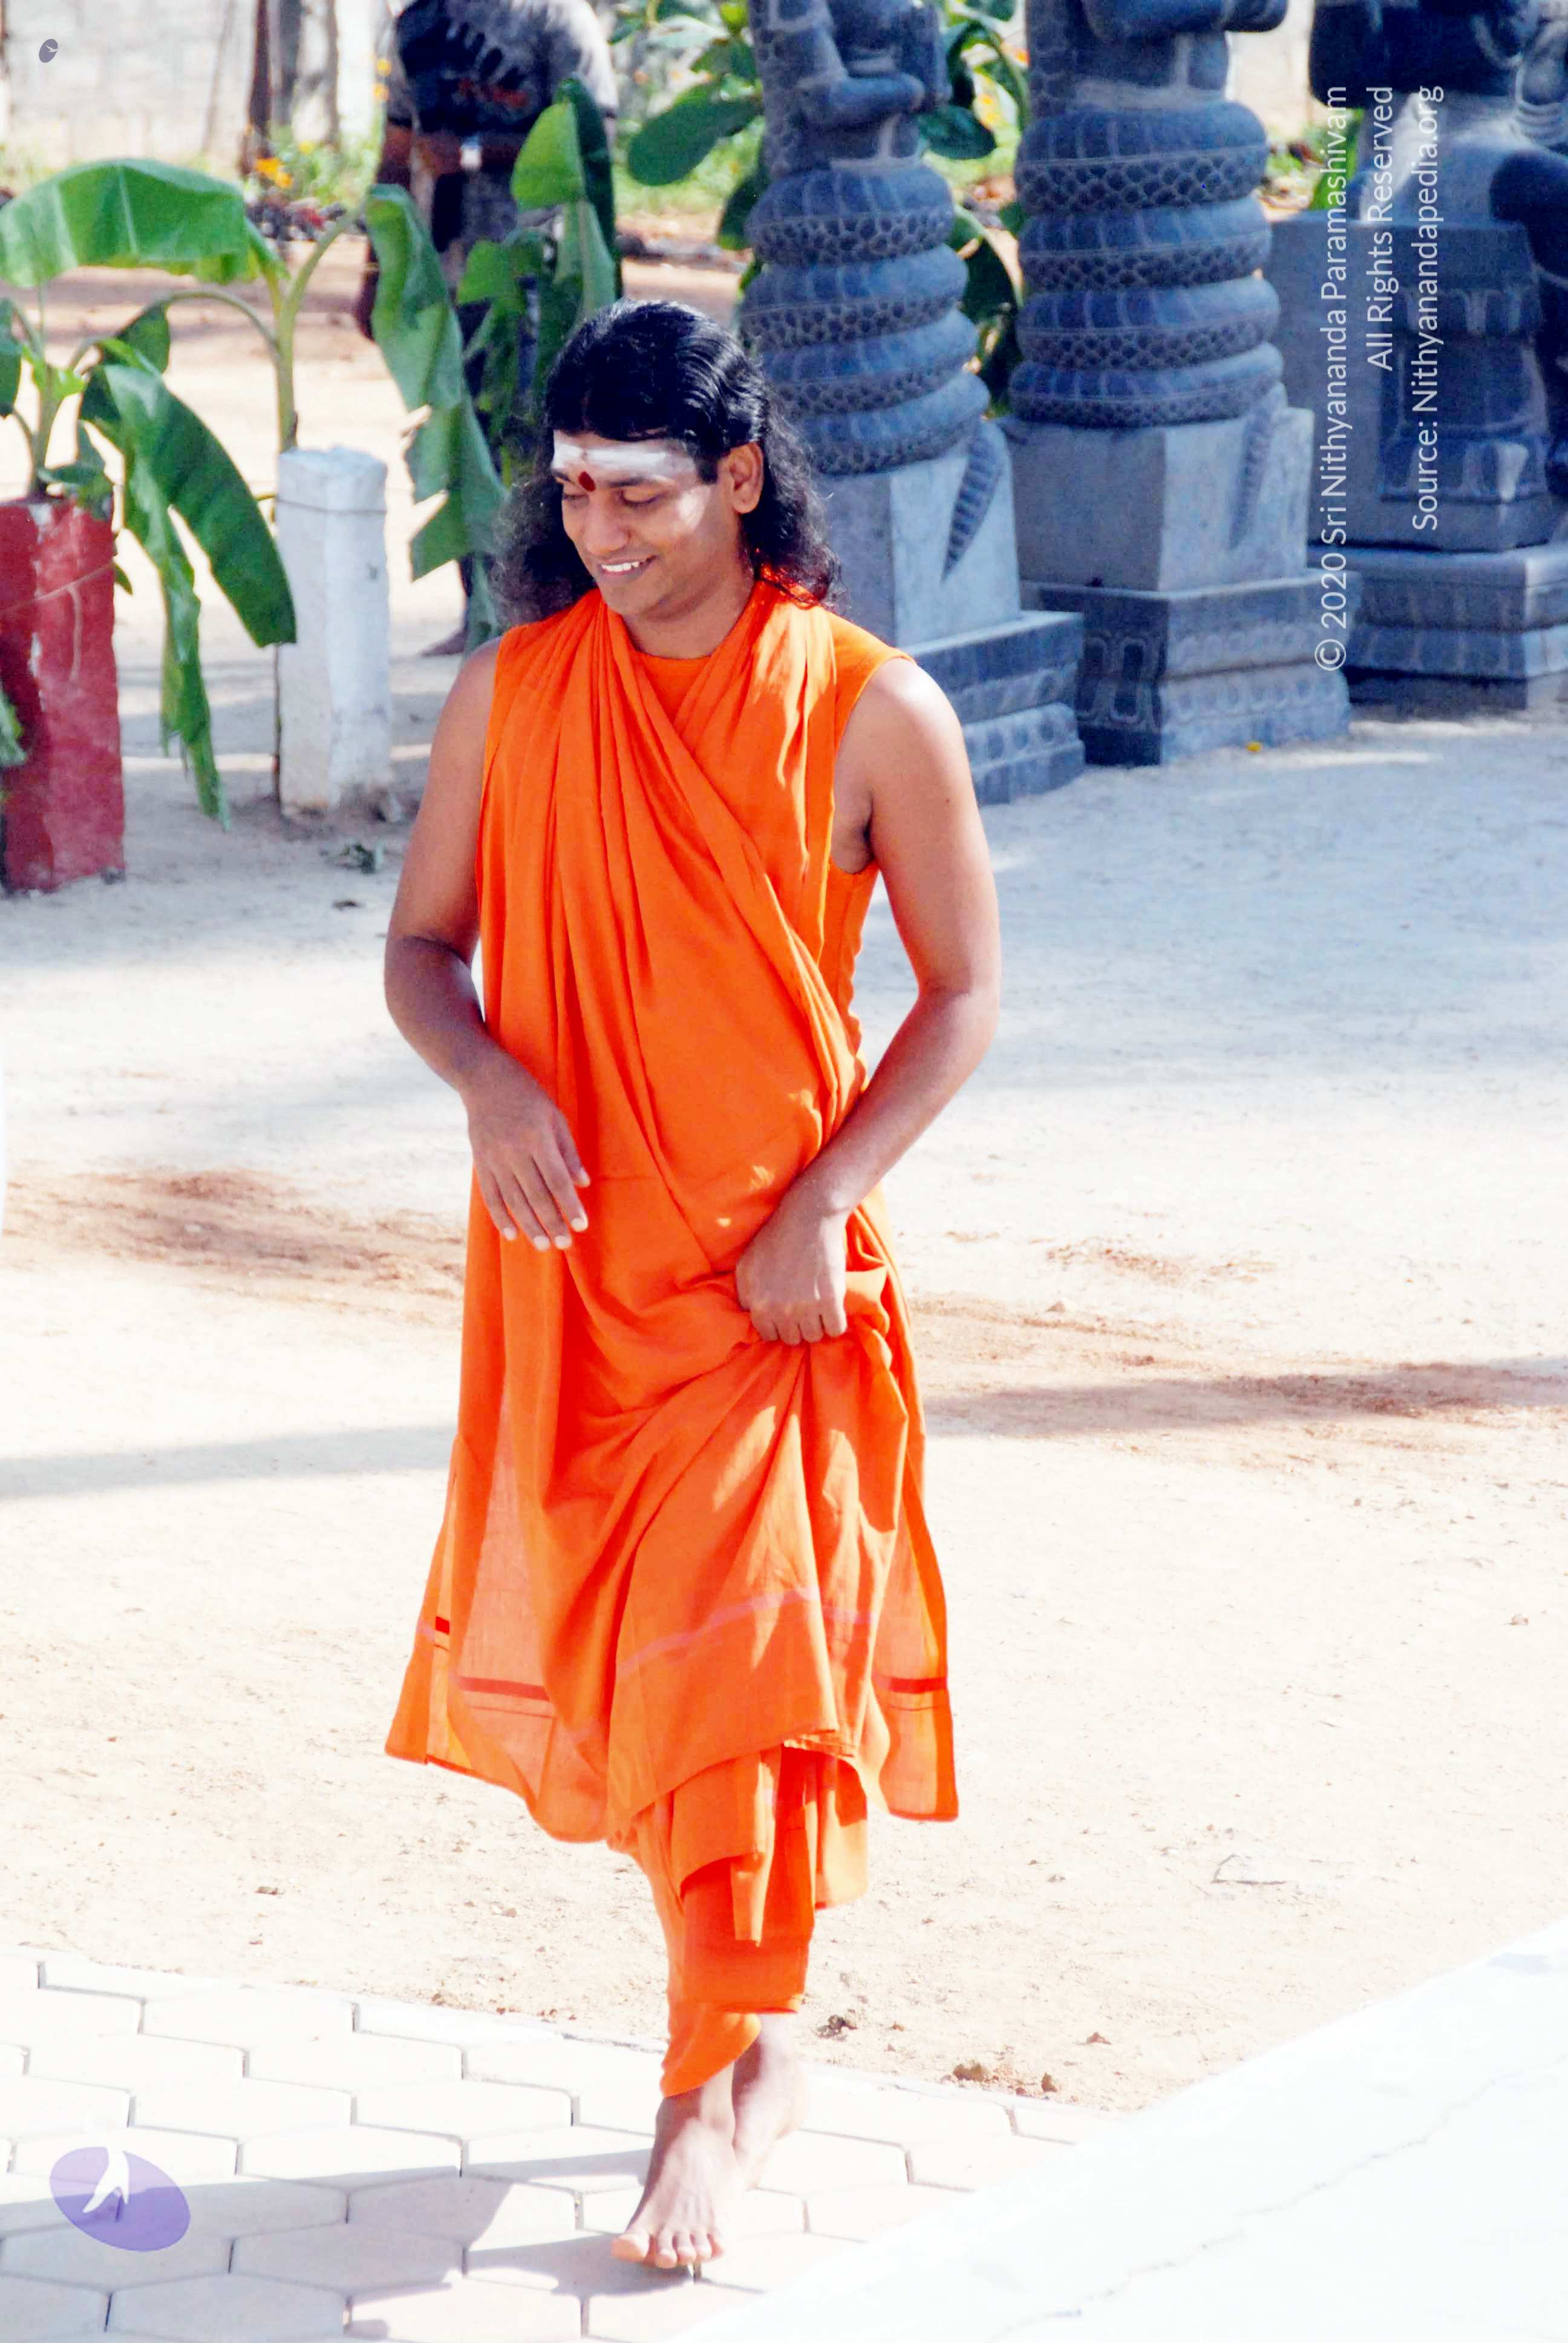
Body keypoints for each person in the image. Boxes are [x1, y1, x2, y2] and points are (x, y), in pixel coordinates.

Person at [381, 301, 1001, 2272]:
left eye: (638, 494)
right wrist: (491, 1087)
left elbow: (962, 995)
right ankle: (759, 2039)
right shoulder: (519, 695)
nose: (598, 531)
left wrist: (828, 1202)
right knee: (655, 1691)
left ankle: (700, 2093)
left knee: (749, 1681)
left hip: (766, 1286)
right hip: (576, 1271)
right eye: (572, 490)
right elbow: (421, 952)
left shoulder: (871, 707)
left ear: (738, 478)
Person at [357, 0, 619, 650]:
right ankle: (483, 615)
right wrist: (373, 271)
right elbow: (397, 153)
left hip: (537, 275)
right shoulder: (419, 24)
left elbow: (594, 138)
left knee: (535, 444)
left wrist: (473, 154)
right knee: (465, 444)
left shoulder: (555, 19)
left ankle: (547, 620)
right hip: (445, 275)